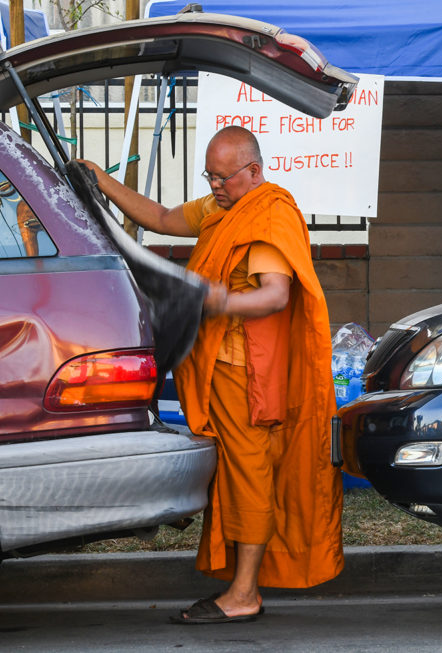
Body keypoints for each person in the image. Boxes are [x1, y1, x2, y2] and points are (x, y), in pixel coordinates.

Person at [75, 125, 342, 624]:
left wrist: (217, 302)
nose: (216, 186)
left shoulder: (267, 215)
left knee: (249, 477)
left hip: (248, 378)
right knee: (230, 478)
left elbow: (275, 295)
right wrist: (100, 183)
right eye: (210, 176)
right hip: (216, 370)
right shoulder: (222, 209)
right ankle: (238, 584)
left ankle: (244, 593)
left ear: (254, 172)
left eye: (224, 178)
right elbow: (161, 216)